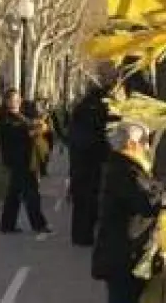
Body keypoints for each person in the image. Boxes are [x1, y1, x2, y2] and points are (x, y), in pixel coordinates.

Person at [91, 121, 166, 303]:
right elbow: (146, 205)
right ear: (131, 144)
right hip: (123, 257)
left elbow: (144, 193)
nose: (148, 147)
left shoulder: (125, 166)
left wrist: (160, 186)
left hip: (126, 253)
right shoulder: (124, 170)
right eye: (145, 141)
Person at [0, 89, 52, 235]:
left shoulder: (20, 115)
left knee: (14, 193)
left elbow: (29, 123)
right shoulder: (6, 118)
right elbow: (19, 133)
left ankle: (7, 225)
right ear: (7, 101)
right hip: (19, 160)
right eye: (13, 100)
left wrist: (39, 123)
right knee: (31, 192)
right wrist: (35, 131)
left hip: (26, 158)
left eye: (18, 99)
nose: (16, 102)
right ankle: (39, 224)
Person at [68, 83, 111, 246]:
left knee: (80, 200)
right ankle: (85, 236)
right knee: (90, 199)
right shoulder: (98, 110)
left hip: (77, 159)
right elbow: (102, 131)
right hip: (91, 159)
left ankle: (78, 235)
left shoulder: (81, 109)